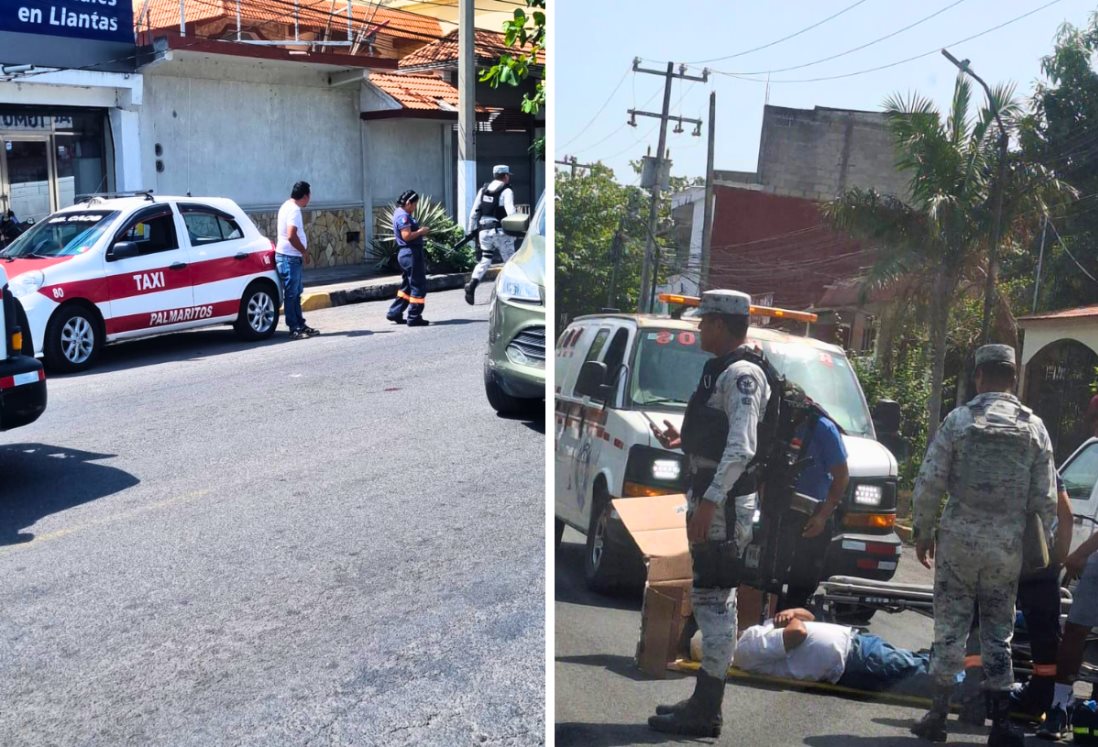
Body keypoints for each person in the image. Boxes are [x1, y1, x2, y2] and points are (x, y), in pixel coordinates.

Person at [910, 343, 1057, 746]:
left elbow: (930, 479)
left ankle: (937, 716)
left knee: (950, 627)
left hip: (959, 540)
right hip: (1005, 547)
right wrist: (1045, 548)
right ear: (1013, 378)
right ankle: (1003, 723)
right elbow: (1045, 497)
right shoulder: (1033, 427)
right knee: (998, 629)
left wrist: (922, 530)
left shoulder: (959, 421)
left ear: (978, 376)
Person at [646, 289, 772, 738]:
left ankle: (707, 709)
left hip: (725, 504)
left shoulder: (742, 375)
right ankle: (703, 702)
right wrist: (684, 442)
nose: (699, 328)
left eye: (704, 322)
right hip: (712, 497)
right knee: (712, 600)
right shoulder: (720, 371)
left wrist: (713, 501)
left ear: (720, 325)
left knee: (714, 602)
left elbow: (742, 446)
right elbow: (722, 438)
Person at [957, 475, 1073, 730]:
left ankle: (974, 702)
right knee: (1044, 639)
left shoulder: (995, 460)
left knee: (982, 629)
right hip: (1038, 563)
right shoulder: (1044, 466)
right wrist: (1058, 559)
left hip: (997, 559)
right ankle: (1040, 703)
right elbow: (1066, 515)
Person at [733, 607, 933, 694]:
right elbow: (798, 633)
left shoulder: (753, 634)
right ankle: (962, 679)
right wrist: (793, 619)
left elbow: (809, 618)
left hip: (854, 647)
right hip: (851, 658)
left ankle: (957, 670)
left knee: (917, 665)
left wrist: (793, 612)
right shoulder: (746, 648)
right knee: (922, 670)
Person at [776, 406, 849, 611]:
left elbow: (842, 476)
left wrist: (822, 517)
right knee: (768, 579)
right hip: (778, 513)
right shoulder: (775, 421)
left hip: (812, 517)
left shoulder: (822, 428)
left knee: (802, 583)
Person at [463, 165, 516, 305]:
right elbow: (511, 213)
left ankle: (472, 284)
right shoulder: (507, 190)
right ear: (505, 176)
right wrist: (515, 230)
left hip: (483, 232)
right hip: (500, 232)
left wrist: (470, 231)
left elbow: (474, 212)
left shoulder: (483, 190)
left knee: (485, 259)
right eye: (508, 175)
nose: (508, 177)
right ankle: (510, 292)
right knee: (511, 263)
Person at [275, 181, 319, 339]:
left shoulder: (286, 206)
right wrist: (304, 252)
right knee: (292, 293)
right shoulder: (294, 210)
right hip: (290, 257)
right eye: (310, 195)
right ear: (306, 195)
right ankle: (294, 327)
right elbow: (291, 235)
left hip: (288, 257)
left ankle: (300, 324)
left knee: (296, 292)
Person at [386, 190, 431, 327]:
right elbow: (406, 236)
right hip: (411, 254)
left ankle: (395, 312)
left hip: (407, 254)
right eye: (415, 204)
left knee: (407, 286)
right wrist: (421, 232)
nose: (415, 207)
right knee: (418, 285)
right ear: (408, 203)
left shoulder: (400, 213)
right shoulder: (403, 216)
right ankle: (414, 316)